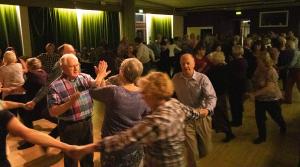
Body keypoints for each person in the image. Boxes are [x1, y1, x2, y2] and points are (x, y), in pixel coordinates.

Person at [90, 72, 207, 167]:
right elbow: (193, 113)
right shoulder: (175, 104)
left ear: (153, 94)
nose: (143, 96)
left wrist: (85, 149)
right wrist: (206, 111)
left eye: (145, 92)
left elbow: (124, 139)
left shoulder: (156, 121)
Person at [47, 54, 105, 167]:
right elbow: (53, 112)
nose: (76, 68)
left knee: (88, 157)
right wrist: (70, 102)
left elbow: (97, 86)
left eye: (77, 65)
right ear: (62, 68)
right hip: (69, 127)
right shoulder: (54, 86)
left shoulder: (84, 77)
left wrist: (100, 76)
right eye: (71, 66)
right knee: (71, 159)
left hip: (87, 123)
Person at [90, 58, 149, 167]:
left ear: (121, 72)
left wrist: (100, 76)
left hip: (113, 147)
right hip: (134, 146)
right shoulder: (145, 95)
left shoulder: (114, 91)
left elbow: (92, 92)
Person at [0, 99, 95, 167]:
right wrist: (68, 147)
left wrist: (22, 105)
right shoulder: (2, 114)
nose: (1, 83)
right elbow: (28, 133)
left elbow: (4, 103)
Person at [172, 53, 217, 167]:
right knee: (192, 153)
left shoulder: (202, 78)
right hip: (186, 118)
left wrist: (207, 110)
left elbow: (211, 97)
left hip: (202, 116)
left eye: (188, 63)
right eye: (183, 64)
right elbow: (170, 94)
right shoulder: (176, 78)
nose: (185, 66)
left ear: (194, 64)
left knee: (206, 149)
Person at [248, 51, 286, 144]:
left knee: (276, 116)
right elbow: (254, 79)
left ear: (264, 61)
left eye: (258, 60)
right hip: (260, 98)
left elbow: (269, 88)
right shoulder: (258, 68)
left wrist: (254, 94)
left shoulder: (271, 71)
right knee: (259, 118)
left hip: (271, 98)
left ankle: (283, 125)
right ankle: (262, 137)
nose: (257, 61)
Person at [206, 52, 235, 142]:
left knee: (220, 114)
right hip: (223, 93)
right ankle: (228, 132)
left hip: (216, 94)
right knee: (222, 114)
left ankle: (228, 133)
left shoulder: (213, 70)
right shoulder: (227, 68)